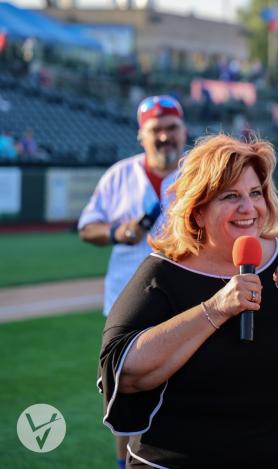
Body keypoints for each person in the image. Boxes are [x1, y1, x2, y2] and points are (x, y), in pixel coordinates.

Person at [98, 134, 278, 468]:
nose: (248, 208)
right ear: (197, 211)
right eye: (230, 196)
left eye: (255, 193)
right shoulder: (162, 273)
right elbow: (126, 371)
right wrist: (214, 309)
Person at [78, 95, 187, 469]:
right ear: (141, 135)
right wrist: (115, 232)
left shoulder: (198, 172)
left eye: (171, 128)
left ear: (183, 131)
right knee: (124, 386)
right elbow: (86, 227)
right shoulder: (120, 174)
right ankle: (125, 463)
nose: (164, 137)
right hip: (126, 299)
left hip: (184, 296)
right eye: (155, 130)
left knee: (187, 387)